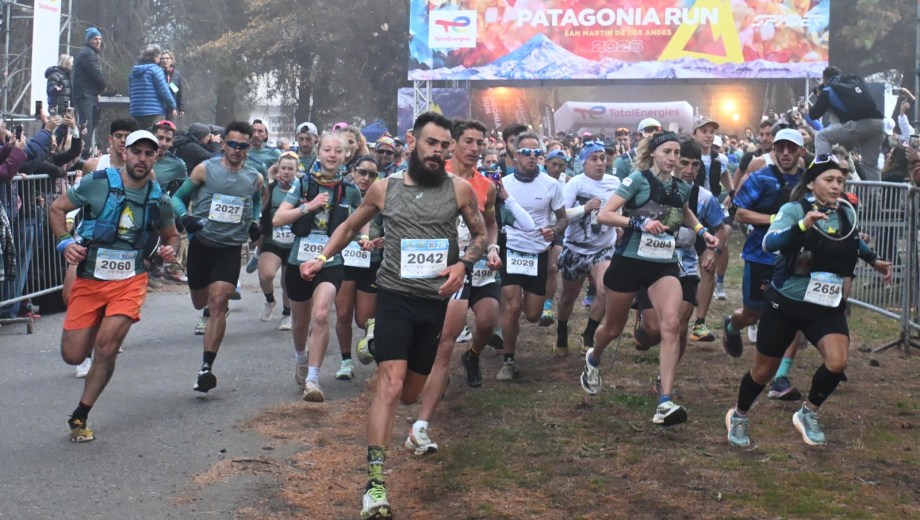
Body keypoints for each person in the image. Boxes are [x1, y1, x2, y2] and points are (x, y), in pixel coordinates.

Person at [298, 112, 486, 520]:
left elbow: (481, 233)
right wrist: (322, 258)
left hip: (434, 300)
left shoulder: (460, 190)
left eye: (444, 145)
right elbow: (349, 227)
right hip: (395, 296)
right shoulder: (386, 188)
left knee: (410, 394)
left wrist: (464, 264)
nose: (438, 151)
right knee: (390, 383)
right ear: (413, 143)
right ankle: (375, 484)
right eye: (431, 143)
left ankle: (380, 339)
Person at [726, 155, 892, 447]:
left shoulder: (845, 212)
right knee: (763, 372)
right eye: (829, 180)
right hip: (786, 304)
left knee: (838, 361)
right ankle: (739, 415)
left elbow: (852, 239)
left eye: (840, 180)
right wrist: (802, 225)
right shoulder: (793, 209)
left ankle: (808, 412)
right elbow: (770, 243)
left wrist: (874, 260)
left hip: (825, 305)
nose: (836, 186)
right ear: (812, 183)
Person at [48, 130, 179, 442]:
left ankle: (80, 415)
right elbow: (56, 209)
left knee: (106, 348)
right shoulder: (98, 183)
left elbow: (171, 234)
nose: (142, 159)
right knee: (73, 355)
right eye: (137, 152)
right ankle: (94, 326)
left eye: (149, 153)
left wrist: (169, 249)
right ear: (125, 152)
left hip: (130, 280)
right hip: (91, 278)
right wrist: (65, 242)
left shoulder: (159, 199)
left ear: (155, 157)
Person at [582, 131, 718, 426]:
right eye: (667, 152)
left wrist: (702, 232)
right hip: (629, 262)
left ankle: (665, 401)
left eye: (677, 154)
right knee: (613, 329)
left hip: (663, 264)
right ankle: (594, 357)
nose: (673, 159)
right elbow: (605, 215)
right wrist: (637, 222)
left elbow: (684, 212)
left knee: (672, 324)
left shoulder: (682, 186)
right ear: (654, 153)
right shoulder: (638, 180)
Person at [406, 119, 509, 454]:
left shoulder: (486, 186)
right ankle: (421, 424)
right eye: (468, 141)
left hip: (479, 269)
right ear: (453, 144)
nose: (475, 148)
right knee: (445, 344)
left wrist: (491, 248)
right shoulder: (433, 178)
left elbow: (490, 224)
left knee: (488, 321)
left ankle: (474, 357)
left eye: (480, 142)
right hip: (445, 271)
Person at [169, 121, 263, 393]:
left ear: (249, 147)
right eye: (232, 144)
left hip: (230, 248)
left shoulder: (254, 177)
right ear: (223, 144)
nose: (236, 150)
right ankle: (209, 304)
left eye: (242, 146)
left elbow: (256, 200)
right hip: (203, 243)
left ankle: (206, 367)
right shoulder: (204, 169)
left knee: (219, 302)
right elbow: (177, 198)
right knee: (201, 301)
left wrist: (255, 220)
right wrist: (186, 217)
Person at [271, 133, 361, 401]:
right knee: (301, 321)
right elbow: (277, 219)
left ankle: (313, 379)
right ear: (319, 153)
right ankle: (301, 357)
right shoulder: (303, 183)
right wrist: (308, 206)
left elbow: (362, 218)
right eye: (328, 150)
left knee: (321, 315)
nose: (332, 155)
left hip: (331, 262)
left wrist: (365, 238)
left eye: (339, 151)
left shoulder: (350, 189)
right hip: (299, 261)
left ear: (346, 155)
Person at [632, 139, 726, 390]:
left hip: (685, 262)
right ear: (671, 160)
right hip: (650, 259)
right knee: (653, 332)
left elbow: (721, 227)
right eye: (684, 162)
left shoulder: (704, 197)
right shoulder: (649, 186)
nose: (689, 169)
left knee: (680, 323)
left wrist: (710, 250)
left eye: (695, 165)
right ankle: (643, 322)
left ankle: (666, 378)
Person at [723, 129, 807, 398]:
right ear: (774, 149)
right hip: (760, 256)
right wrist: (776, 221)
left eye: (791, 148)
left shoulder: (807, 183)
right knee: (753, 314)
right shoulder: (761, 178)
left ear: (800, 152)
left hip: (791, 259)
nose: (785, 153)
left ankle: (780, 378)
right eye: (780, 147)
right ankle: (732, 325)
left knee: (792, 316)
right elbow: (739, 212)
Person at [497, 132, 568, 380]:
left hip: (537, 251)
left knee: (532, 313)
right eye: (526, 152)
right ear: (516, 156)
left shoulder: (551, 184)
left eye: (537, 153)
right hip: (513, 248)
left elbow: (563, 219)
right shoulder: (504, 183)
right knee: (513, 305)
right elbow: (494, 218)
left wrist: (554, 231)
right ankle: (508, 359)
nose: (532, 157)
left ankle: (509, 330)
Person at [554, 141, 619, 356]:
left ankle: (589, 334)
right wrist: (585, 208)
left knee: (604, 289)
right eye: (594, 159)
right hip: (576, 248)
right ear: (584, 163)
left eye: (603, 158)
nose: (601, 163)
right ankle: (561, 332)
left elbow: (619, 209)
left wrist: (619, 225)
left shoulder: (614, 182)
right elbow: (561, 214)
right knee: (568, 297)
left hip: (603, 248)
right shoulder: (576, 184)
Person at [334, 155, 382, 380]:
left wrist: (381, 239)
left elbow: (393, 226)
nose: (366, 178)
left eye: (372, 174)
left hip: (371, 262)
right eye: (362, 172)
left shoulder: (383, 197)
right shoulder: (342, 193)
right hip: (344, 262)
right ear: (352, 171)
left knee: (364, 319)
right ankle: (345, 362)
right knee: (343, 313)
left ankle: (372, 345)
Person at [688, 117, 734, 342]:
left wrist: (732, 194)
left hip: (709, 210)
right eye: (703, 130)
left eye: (711, 132)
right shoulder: (682, 153)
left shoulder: (720, 159)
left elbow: (727, 178)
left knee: (709, 264)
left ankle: (700, 323)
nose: (708, 135)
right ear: (693, 133)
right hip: (685, 211)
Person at [809, 66, 885, 181]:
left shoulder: (828, 91)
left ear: (824, 80)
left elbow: (813, 115)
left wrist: (820, 96)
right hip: (878, 123)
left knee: (821, 136)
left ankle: (824, 174)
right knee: (870, 165)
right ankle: (875, 197)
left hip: (859, 124)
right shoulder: (854, 83)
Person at [254, 151, 298, 331]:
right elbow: (260, 209)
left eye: (290, 169)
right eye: (283, 168)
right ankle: (270, 300)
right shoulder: (271, 188)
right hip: (273, 239)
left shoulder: (301, 188)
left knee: (287, 282)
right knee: (266, 275)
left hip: (294, 242)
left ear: (296, 170)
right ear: (278, 169)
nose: (286, 172)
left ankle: (287, 314)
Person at [71, 27, 107, 157]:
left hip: (88, 94)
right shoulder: (87, 53)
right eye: (95, 39)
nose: (98, 41)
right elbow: (95, 74)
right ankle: (82, 153)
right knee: (86, 124)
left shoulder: (89, 53)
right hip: (85, 94)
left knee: (90, 123)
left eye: (99, 39)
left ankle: (84, 152)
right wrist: (104, 86)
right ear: (89, 40)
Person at [128, 45, 177, 130]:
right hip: (154, 112)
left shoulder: (134, 71)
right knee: (155, 138)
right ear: (156, 56)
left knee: (139, 139)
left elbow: (130, 92)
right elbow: (164, 91)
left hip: (136, 112)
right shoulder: (156, 70)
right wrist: (172, 105)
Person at [159, 50, 184, 120]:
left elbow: (179, 91)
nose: (165, 60)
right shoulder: (157, 72)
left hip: (172, 107)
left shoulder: (176, 74)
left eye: (167, 58)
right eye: (163, 58)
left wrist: (181, 108)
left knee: (170, 126)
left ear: (171, 60)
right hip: (160, 106)